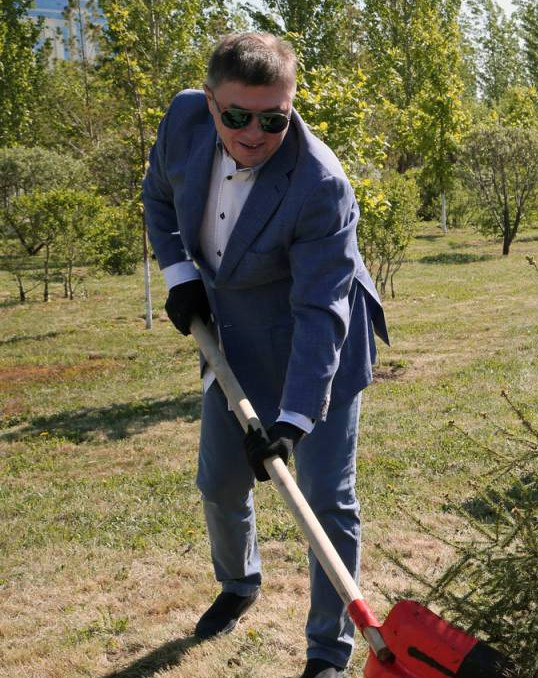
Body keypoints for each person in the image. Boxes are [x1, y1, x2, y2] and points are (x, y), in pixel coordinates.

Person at [142, 33, 388, 678]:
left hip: (317, 346)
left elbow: (319, 312)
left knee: (325, 500)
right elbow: (159, 200)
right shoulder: (182, 118)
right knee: (220, 480)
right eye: (238, 116)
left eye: (274, 118)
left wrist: (294, 422)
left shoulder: (319, 184)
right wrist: (179, 275)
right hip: (233, 336)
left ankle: (327, 652)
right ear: (212, 102)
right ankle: (239, 580)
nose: (255, 133)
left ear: (292, 104)